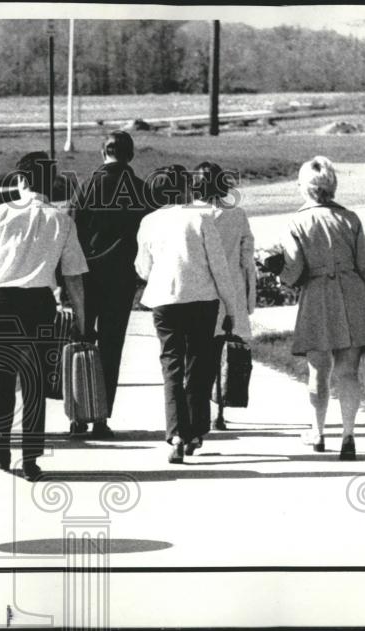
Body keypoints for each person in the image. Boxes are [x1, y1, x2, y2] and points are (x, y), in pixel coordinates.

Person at [0, 151, 89, 482]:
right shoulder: (62, 220)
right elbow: (74, 277)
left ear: (21, 180)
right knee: (35, 380)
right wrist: (81, 318)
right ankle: (32, 456)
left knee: (1, 378)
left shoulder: (3, 213)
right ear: (51, 182)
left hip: (1, 302)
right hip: (40, 304)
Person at [279, 156, 365, 460]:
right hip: (354, 295)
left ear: (305, 186)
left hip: (317, 298)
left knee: (318, 372)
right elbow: (364, 266)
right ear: (332, 185)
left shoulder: (296, 222)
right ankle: (349, 436)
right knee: (348, 373)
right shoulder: (351, 218)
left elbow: (293, 270)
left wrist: (279, 273)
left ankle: (318, 432)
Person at [135, 181, 237, 464]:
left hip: (165, 300)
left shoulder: (149, 221)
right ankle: (195, 430)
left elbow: (143, 267)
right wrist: (231, 307)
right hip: (202, 300)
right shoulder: (201, 217)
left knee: (172, 366)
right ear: (186, 192)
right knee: (199, 364)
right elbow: (219, 266)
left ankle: (177, 434)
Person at [68, 131, 151, 439]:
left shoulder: (86, 188)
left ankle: (78, 413)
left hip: (86, 276)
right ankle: (102, 416)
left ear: (103, 153)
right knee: (112, 346)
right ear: (130, 155)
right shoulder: (142, 191)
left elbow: (70, 231)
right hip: (122, 277)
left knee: (81, 342)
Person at [193, 162, 257, 431]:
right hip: (230, 288)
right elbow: (247, 258)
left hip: (201, 289)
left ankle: (202, 406)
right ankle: (219, 410)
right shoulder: (237, 214)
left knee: (201, 350)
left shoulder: (192, 215)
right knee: (225, 349)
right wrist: (248, 297)